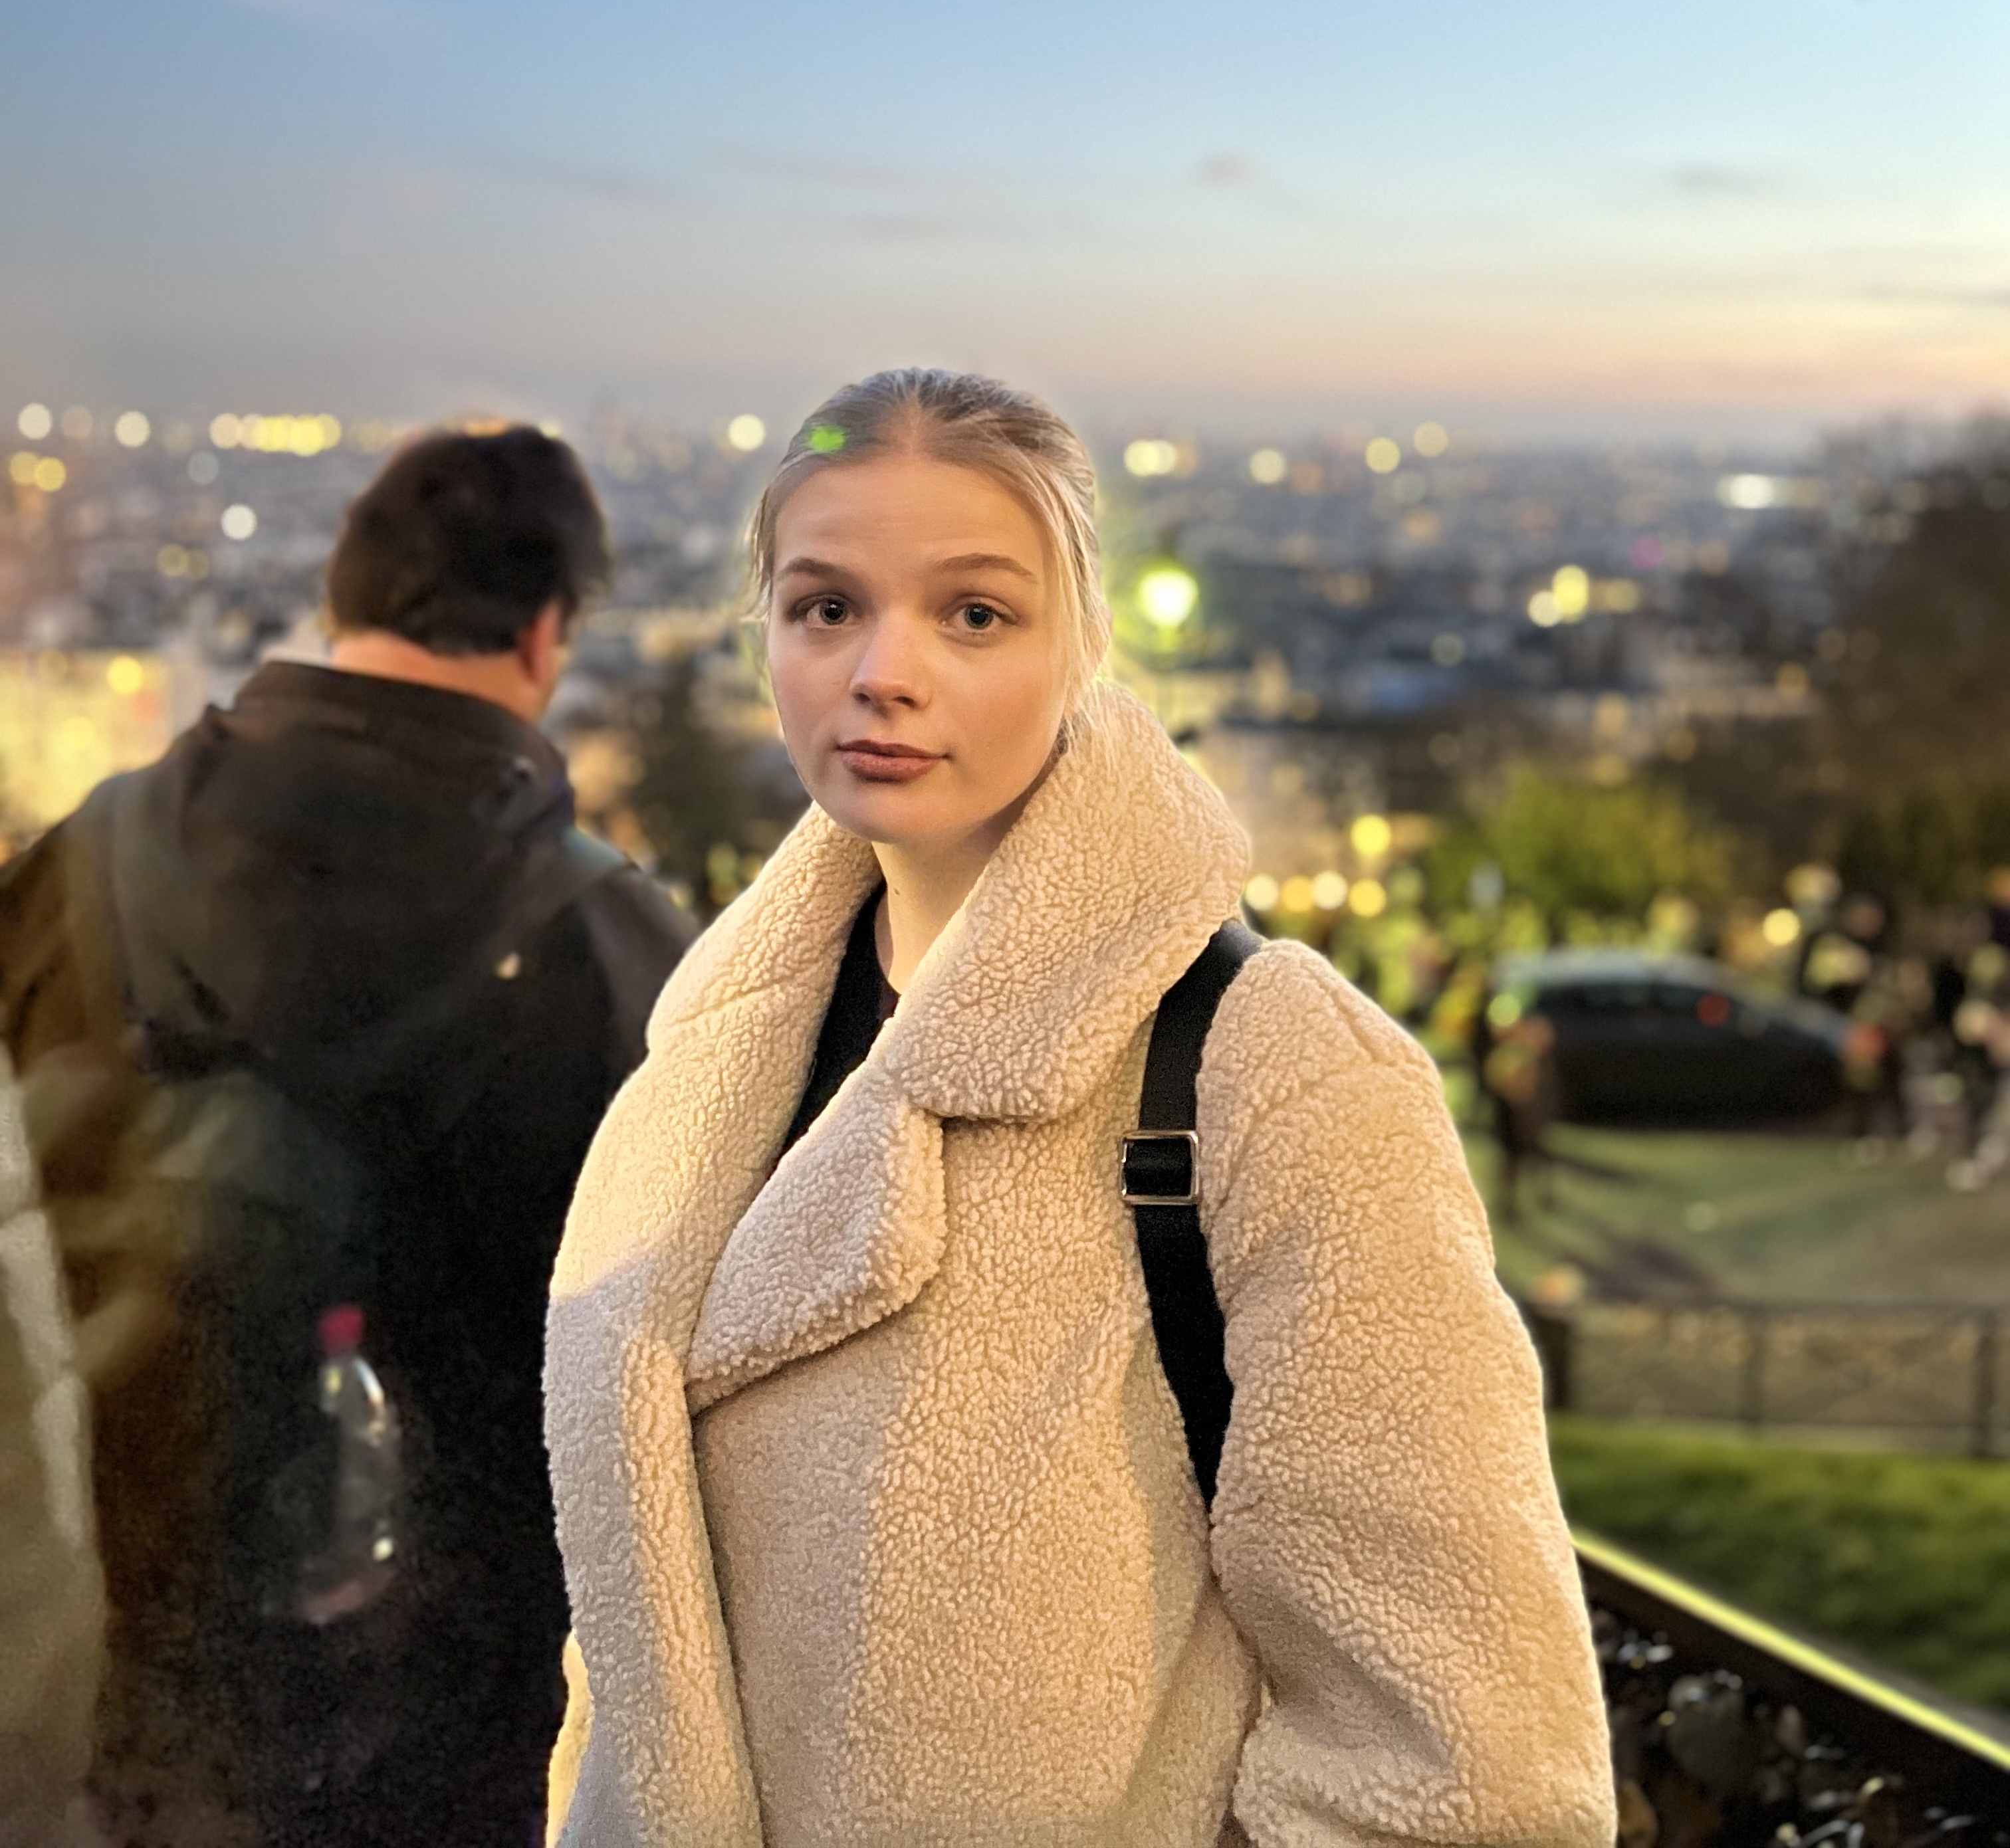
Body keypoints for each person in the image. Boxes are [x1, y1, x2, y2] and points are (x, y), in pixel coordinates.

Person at [546, 369, 1611, 1848]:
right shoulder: (715, 1058)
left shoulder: (1274, 1070)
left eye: (975, 614)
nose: (884, 672)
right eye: (826, 607)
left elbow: (1470, 1761)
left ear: (1085, 643)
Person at [0, 423, 691, 1848]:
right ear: (547, 633)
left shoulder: (77, 869)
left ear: (341, 594)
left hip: (129, 1727)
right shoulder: (618, 955)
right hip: (473, 1751)